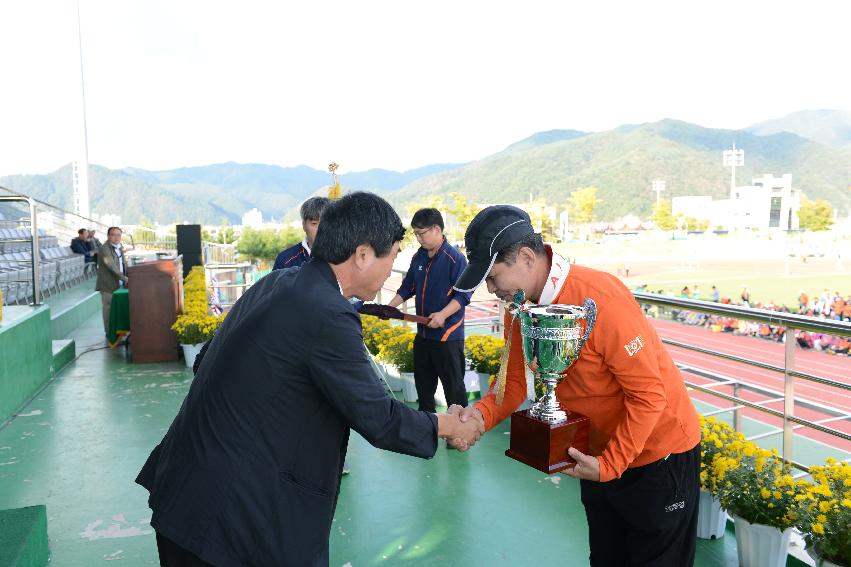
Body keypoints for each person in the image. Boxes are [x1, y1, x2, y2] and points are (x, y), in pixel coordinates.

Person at [135, 192, 482, 567]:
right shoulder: (327, 314)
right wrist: (448, 424)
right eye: (393, 255)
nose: (392, 268)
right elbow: (379, 419)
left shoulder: (277, 282)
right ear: (363, 255)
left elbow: (206, 361)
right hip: (232, 520)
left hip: (185, 492)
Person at [449, 205, 701, 566]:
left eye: (493, 277)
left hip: (657, 457)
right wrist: (477, 417)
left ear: (525, 258)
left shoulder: (600, 297)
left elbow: (649, 394)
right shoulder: (518, 308)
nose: (491, 290)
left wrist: (610, 465)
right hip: (595, 457)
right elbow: (514, 384)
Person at [386, 208, 471, 413]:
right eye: (415, 234)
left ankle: (458, 435)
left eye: (421, 233)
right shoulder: (419, 256)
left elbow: (463, 296)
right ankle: (427, 430)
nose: (418, 238)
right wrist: (388, 308)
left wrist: (442, 315)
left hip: (447, 337)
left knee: (455, 391)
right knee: (423, 389)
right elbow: (408, 288)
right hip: (423, 335)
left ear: (436, 229)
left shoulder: (455, 259)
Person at [273, 196, 331, 270]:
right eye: (314, 223)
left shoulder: (343, 258)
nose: (321, 229)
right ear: (304, 225)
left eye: (325, 223)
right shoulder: (285, 260)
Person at [95, 227, 128, 334]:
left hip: (120, 284)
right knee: (108, 309)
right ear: (108, 236)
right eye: (113, 235)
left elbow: (124, 263)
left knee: (118, 309)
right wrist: (125, 278)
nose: (116, 237)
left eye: (118, 235)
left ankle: (118, 332)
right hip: (107, 285)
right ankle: (109, 333)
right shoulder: (104, 249)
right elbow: (112, 266)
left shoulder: (119, 247)